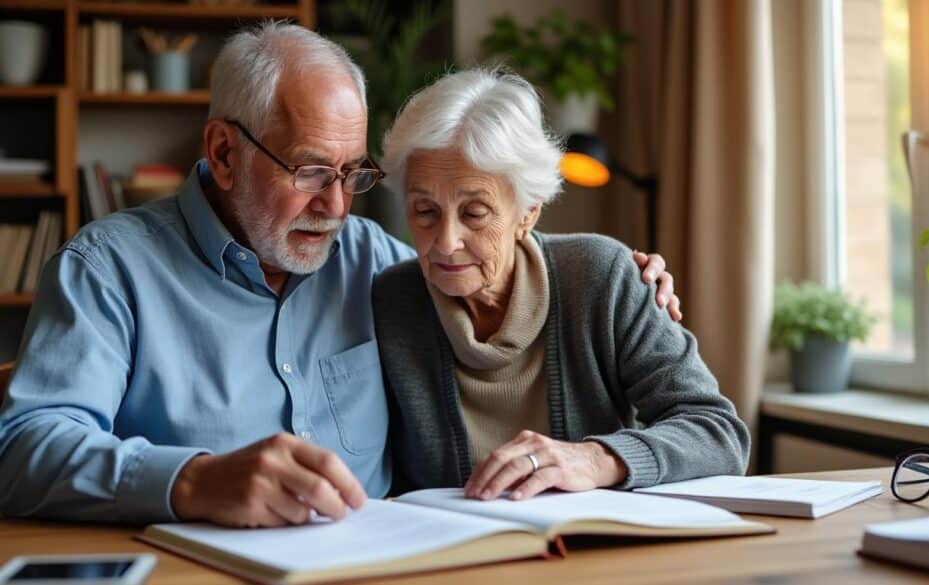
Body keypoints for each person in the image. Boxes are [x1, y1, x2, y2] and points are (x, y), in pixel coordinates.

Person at [0, 24, 678, 527]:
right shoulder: (108, 271)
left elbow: (482, 244)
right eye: (310, 171)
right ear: (224, 152)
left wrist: (625, 275)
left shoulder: (373, 262)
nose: (336, 205)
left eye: (353, 173)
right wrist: (193, 480)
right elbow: (24, 449)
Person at [374, 69, 749, 500]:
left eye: (474, 213)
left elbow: (718, 433)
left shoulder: (600, 278)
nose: (445, 241)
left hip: (590, 555)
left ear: (528, 212)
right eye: (425, 211)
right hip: (450, 558)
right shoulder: (390, 302)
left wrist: (593, 459)